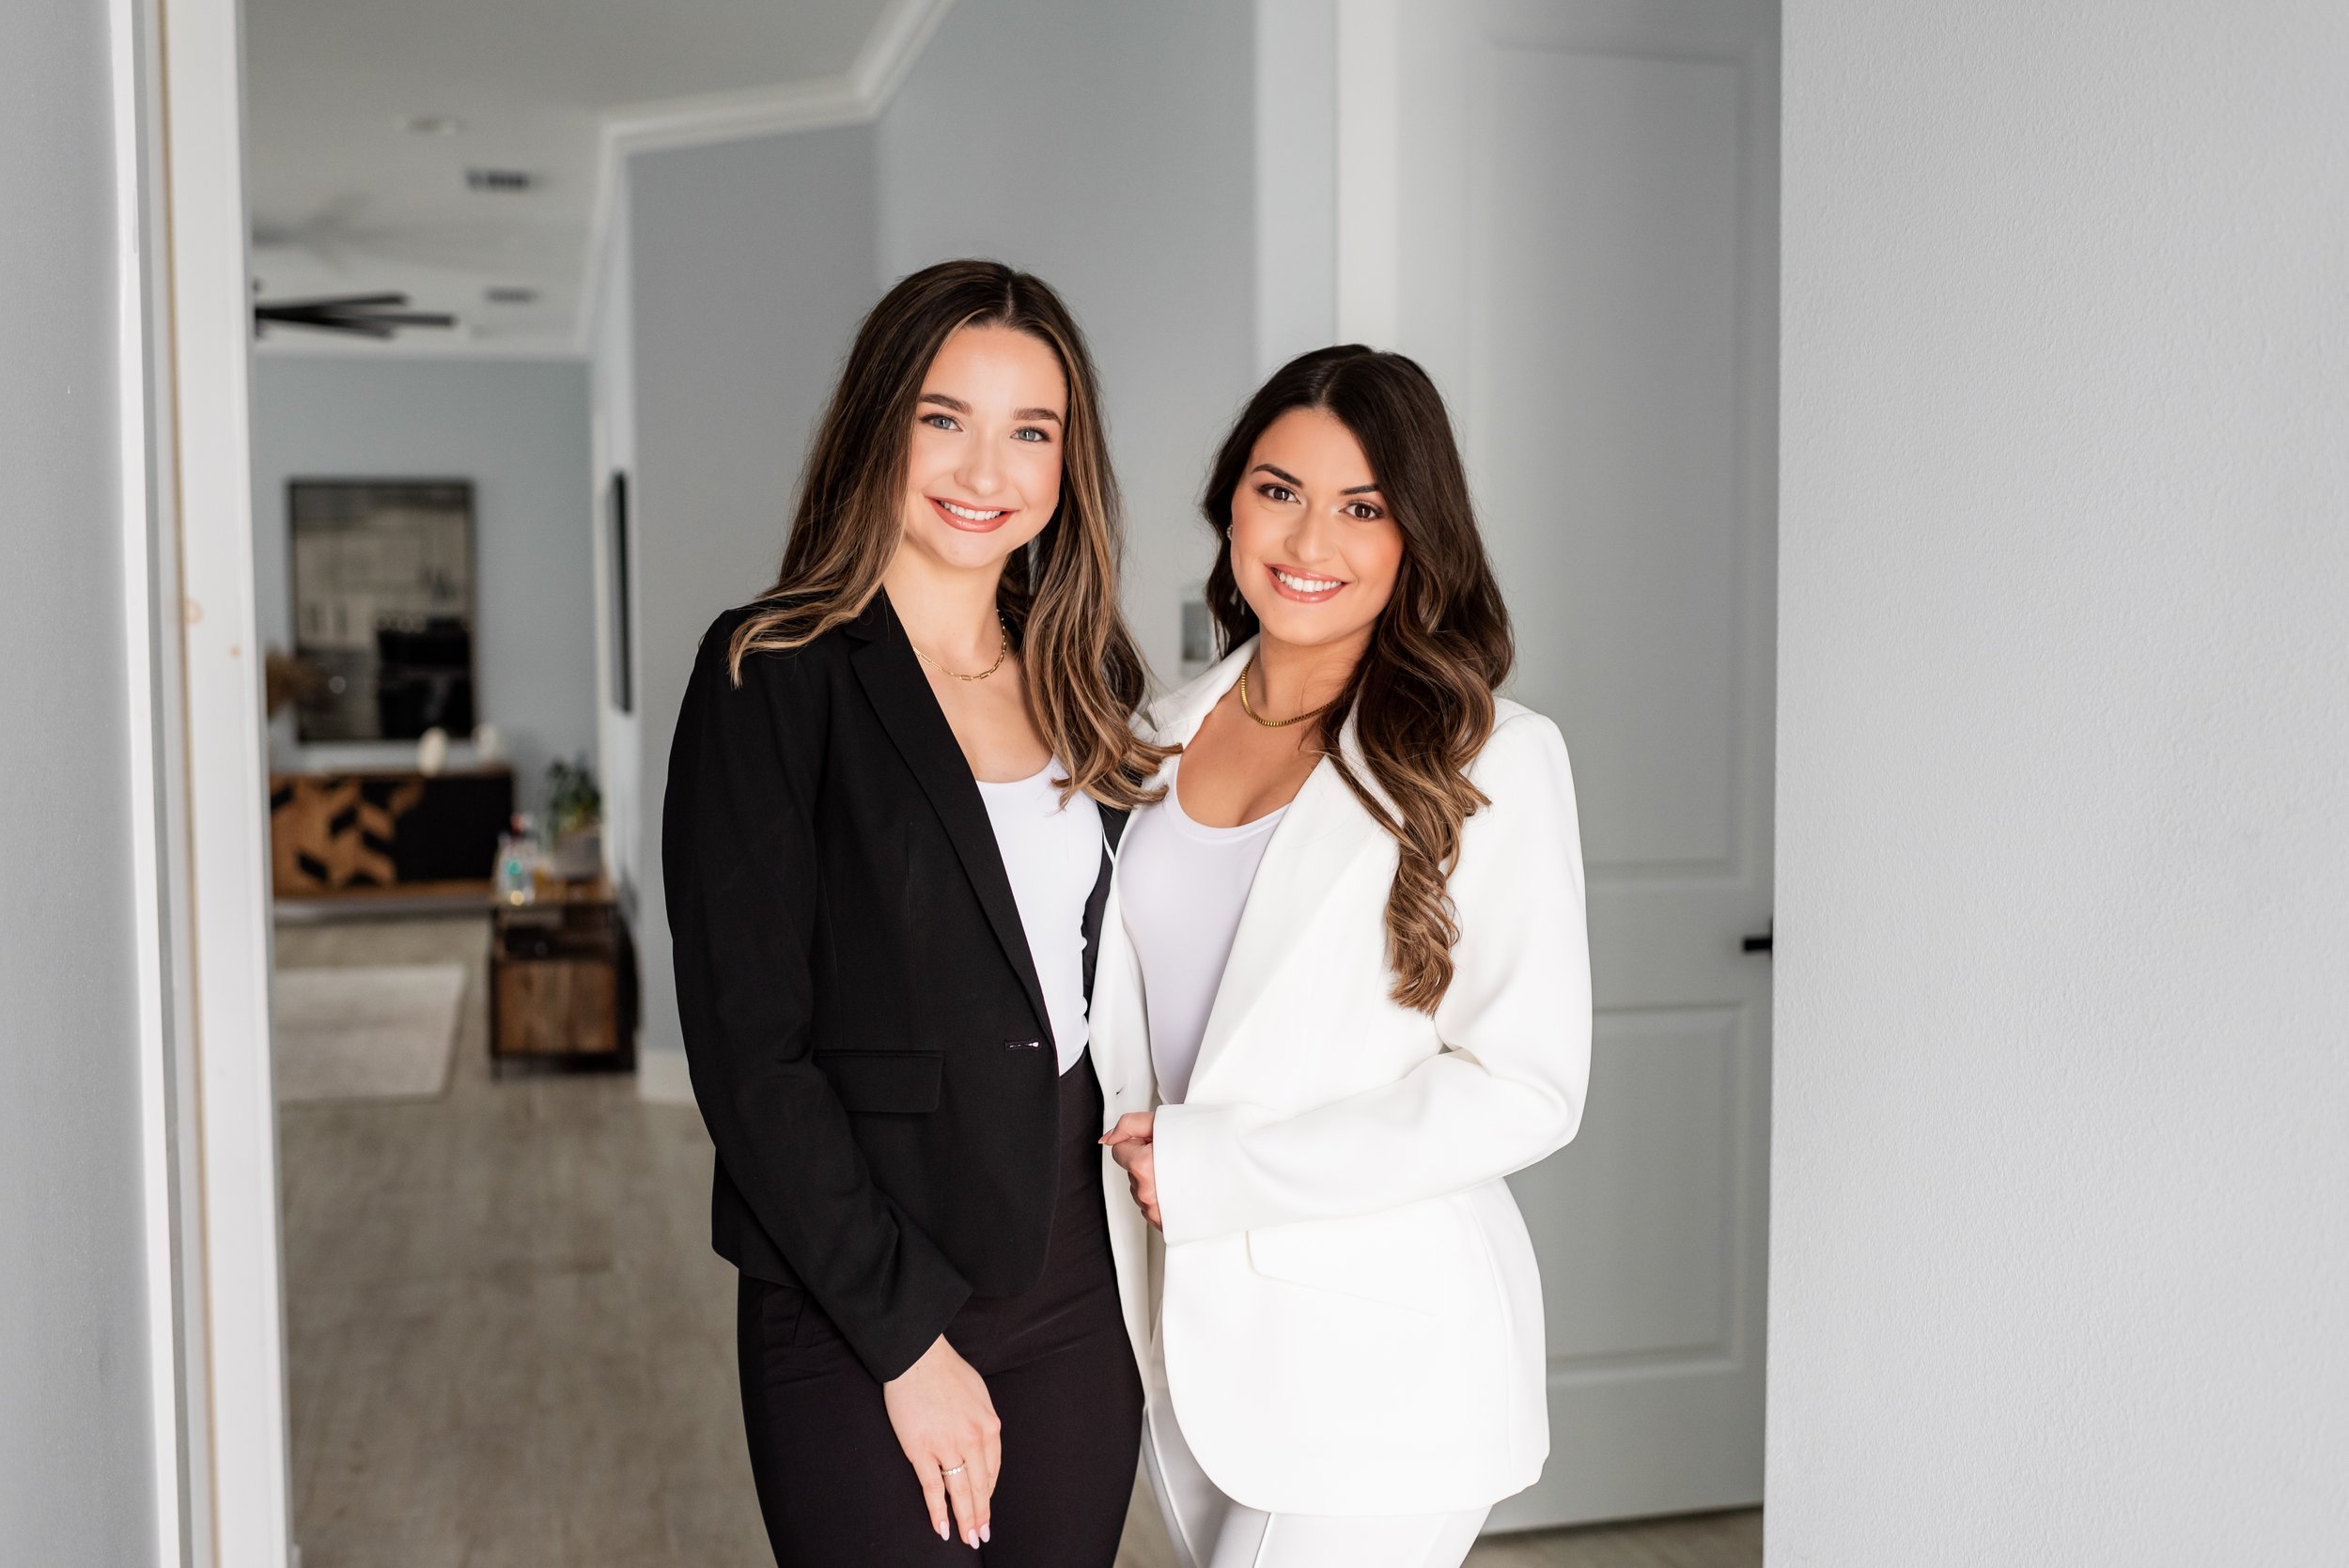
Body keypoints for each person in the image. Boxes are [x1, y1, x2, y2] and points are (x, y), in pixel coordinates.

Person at [663, 259, 1169, 1567]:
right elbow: (749, 1052)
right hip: (858, 1286)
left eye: (1031, 430)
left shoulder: (1091, 680)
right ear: (879, 423)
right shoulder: (768, 671)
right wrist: (902, 1338)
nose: (984, 465)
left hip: (1070, 1275)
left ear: (1069, 462)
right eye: (944, 416)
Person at [1093, 346, 1593, 1568]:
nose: (1310, 537)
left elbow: (1527, 1085)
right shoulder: (1151, 735)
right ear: (1231, 507)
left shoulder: (1491, 757)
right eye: (1279, 490)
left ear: (1418, 535)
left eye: (1363, 506)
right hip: (1184, 1329)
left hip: (1384, 1361)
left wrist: (1220, 1166)